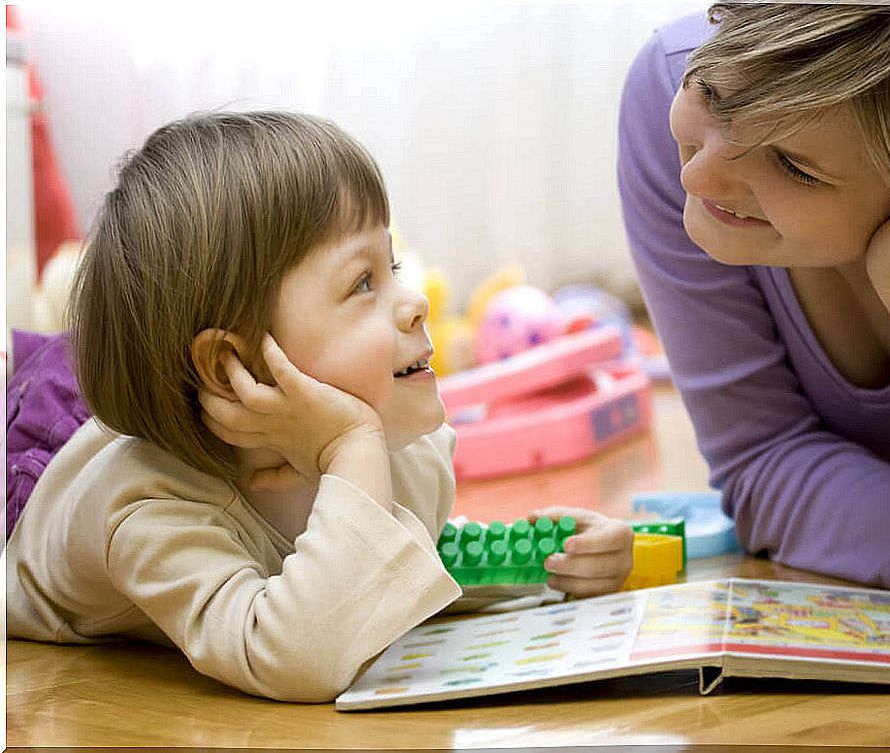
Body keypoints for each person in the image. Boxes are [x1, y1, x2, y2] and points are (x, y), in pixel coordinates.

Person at [6, 111, 634, 702]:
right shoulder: (146, 509)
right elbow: (295, 654)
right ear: (235, 368)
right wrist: (351, 449)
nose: (413, 299)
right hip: (33, 482)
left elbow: (376, 568)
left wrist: (548, 565)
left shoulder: (397, 447)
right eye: (363, 282)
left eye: (390, 266)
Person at [618, 4, 890, 613]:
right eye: (712, 99)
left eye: (796, 166)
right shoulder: (670, 78)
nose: (697, 177)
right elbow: (760, 459)